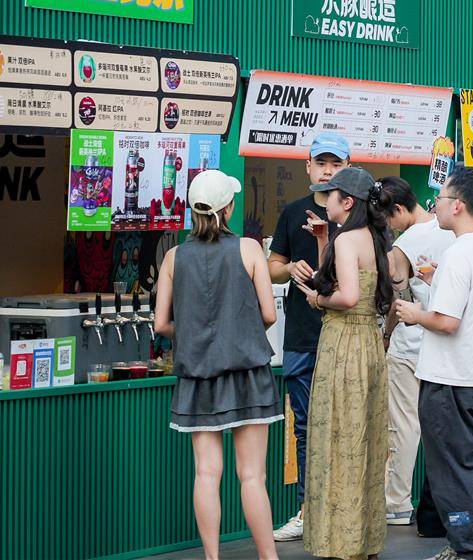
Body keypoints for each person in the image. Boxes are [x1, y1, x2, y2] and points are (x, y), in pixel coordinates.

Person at [154, 170, 281, 560]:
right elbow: (269, 314)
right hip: (248, 374)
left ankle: (212, 557)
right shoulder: (249, 249)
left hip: (198, 375)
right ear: (229, 208)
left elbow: (161, 324)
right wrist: (237, 328)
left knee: (206, 473)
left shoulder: (174, 257)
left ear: (193, 210)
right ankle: (268, 558)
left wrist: (194, 333)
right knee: (252, 476)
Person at [394, 169, 473, 560]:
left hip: (451, 379)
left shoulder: (459, 253)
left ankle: (469, 549)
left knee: (450, 471)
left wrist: (414, 313)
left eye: (439, 200)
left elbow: (446, 321)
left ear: (457, 205)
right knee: (469, 465)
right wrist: (437, 282)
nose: (435, 207)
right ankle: (466, 543)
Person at [300, 167, 394, 560]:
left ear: (348, 202)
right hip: (369, 344)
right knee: (364, 441)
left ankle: (340, 543)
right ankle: (364, 541)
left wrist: (318, 299)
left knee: (336, 439)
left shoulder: (346, 239)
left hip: (343, 344)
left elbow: (348, 295)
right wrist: (324, 240)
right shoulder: (373, 237)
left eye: (331, 195)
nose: (325, 201)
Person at [267, 131, 349, 542]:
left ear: (348, 168)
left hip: (346, 336)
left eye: (336, 164)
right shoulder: (293, 212)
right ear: (308, 167)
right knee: (304, 427)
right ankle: (307, 510)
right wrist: (289, 268)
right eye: (321, 163)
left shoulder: (356, 217)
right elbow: (272, 268)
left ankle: (343, 511)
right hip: (301, 336)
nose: (328, 171)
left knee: (345, 426)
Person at [376, 177, 456, 528]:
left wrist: (386, 334)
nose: (388, 227)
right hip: (443, 345)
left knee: (404, 425)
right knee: (441, 427)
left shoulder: (405, 243)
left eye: (387, 219)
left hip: (409, 346)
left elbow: (396, 301)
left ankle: (396, 501)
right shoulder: (451, 230)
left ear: (397, 209)